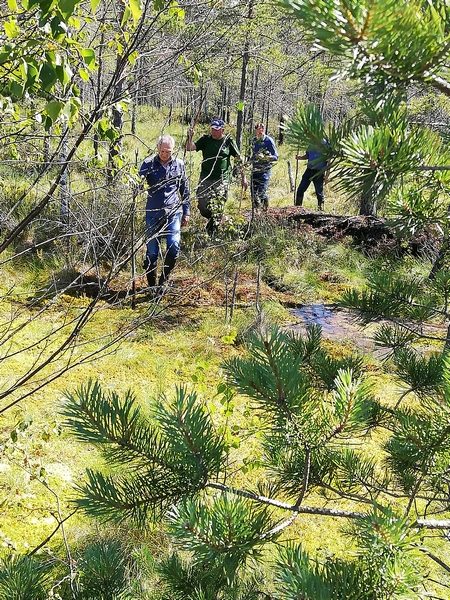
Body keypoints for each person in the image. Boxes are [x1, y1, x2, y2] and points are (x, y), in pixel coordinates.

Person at [139, 135, 190, 289]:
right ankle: (152, 286)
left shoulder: (179, 165)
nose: (165, 154)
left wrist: (187, 212)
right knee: (152, 252)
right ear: (158, 149)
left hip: (173, 213)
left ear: (172, 150)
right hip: (153, 213)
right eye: (162, 151)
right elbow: (138, 184)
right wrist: (138, 187)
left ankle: (163, 281)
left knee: (173, 247)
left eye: (168, 151)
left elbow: (185, 190)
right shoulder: (148, 164)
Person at [185, 118, 247, 236]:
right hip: (206, 177)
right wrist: (190, 137)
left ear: (222, 130)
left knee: (219, 205)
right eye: (212, 129)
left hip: (222, 179)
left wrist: (243, 178)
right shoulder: (205, 140)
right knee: (202, 205)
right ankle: (212, 219)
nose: (214, 132)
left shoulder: (228, 141)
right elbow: (189, 148)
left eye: (217, 129)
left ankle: (213, 231)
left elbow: (239, 159)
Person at [250, 123, 278, 210]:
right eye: (258, 130)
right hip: (255, 169)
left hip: (265, 170)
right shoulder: (254, 140)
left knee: (261, 192)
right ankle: (255, 211)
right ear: (255, 130)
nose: (260, 131)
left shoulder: (269, 141)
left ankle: (264, 210)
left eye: (262, 129)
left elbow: (276, 157)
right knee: (253, 192)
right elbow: (253, 154)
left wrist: (265, 157)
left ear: (264, 129)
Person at [295, 141, 329, 210]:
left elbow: (329, 161)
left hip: (319, 172)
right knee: (300, 190)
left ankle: (320, 211)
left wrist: (327, 175)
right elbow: (308, 155)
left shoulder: (326, 144)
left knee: (319, 193)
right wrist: (300, 157)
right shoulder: (311, 142)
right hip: (309, 170)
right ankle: (297, 210)